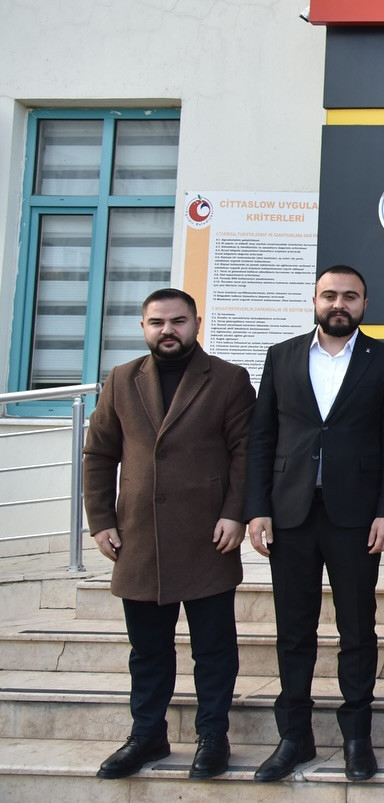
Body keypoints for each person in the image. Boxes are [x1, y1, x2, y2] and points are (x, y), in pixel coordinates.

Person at [244, 265, 384, 783]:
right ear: (314, 300)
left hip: (357, 518)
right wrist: (257, 507)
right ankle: (294, 737)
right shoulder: (282, 356)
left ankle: (357, 737)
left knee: (357, 629)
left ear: (365, 304)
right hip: (290, 513)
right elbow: (261, 437)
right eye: (330, 295)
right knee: (294, 630)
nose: (340, 304)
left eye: (350, 297)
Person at [82, 288, 255, 780]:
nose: (168, 330)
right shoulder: (121, 379)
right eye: (157, 322)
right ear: (143, 327)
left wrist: (236, 514)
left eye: (178, 321)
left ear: (196, 323)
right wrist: (101, 520)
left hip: (208, 537)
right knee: (148, 651)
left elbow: (245, 453)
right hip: (138, 538)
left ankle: (212, 737)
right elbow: (99, 454)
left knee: (214, 650)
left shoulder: (228, 378)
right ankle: (147, 736)